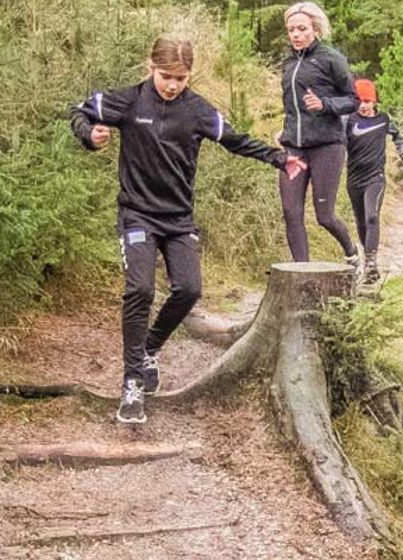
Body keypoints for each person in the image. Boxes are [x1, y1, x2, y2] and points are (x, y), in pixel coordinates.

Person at [70, 36, 305, 424]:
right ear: (151, 68)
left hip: (178, 218)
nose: (173, 84)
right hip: (137, 215)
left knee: (189, 289)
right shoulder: (128, 101)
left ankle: (148, 349)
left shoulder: (197, 110)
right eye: (166, 76)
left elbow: (235, 140)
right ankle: (131, 383)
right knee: (140, 290)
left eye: (180, 77)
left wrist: (279, 158)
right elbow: (78, 111)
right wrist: (90, 136)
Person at [279, 1, 363, 274]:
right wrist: (286, 129)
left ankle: (352, 252)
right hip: (294, 147)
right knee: (292, 213)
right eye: (291, 30)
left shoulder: (330, 58)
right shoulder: (288, 63)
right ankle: (301, 275)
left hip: (327, 145)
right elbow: (292, 105)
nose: (296, 35)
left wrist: (325, 104)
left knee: (324, 216)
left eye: (302, 29)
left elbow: (353, 100)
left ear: (315, 28)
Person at [342, 79, 403, 286]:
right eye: (360, 100)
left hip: (375, 178)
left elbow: (398, 136)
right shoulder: (348, 121)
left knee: (372, 218)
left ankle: (371, 263)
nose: (363, 105)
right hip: (353, 179)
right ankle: (368, 263)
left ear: (374, 101)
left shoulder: (384, 120)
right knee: (361, 222)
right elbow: (335, 143)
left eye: (367, 100)